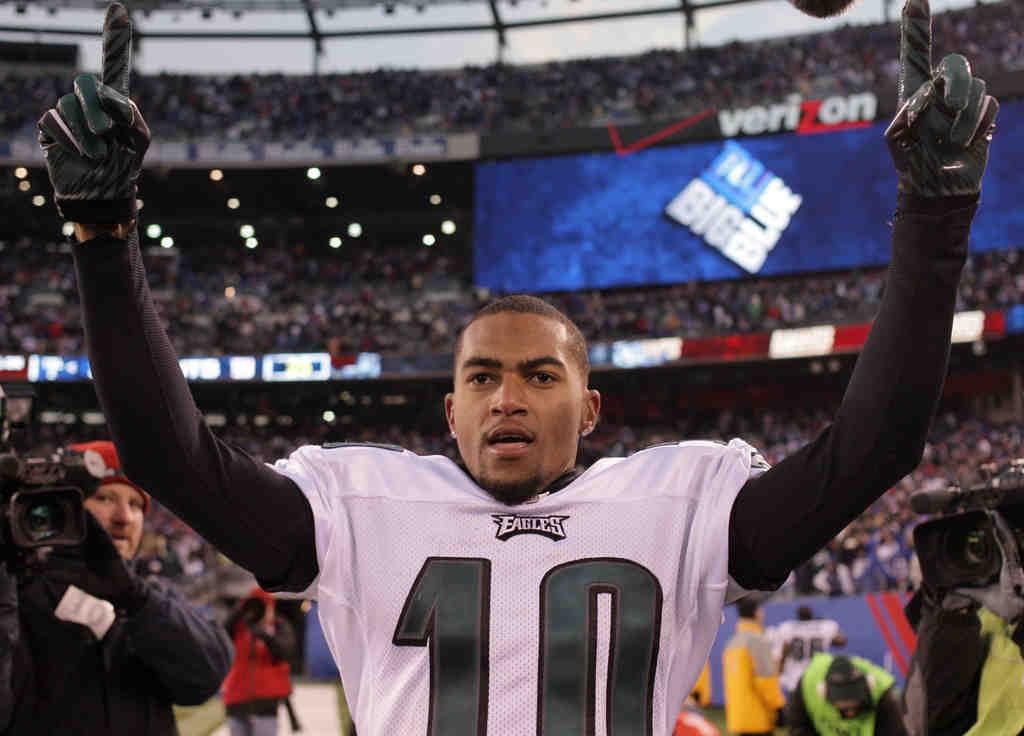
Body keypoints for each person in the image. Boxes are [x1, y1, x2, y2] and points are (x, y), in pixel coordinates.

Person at [39, 0, 998, 732]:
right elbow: (168, 457)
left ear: (591, 409)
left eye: (542, 376)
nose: (508, 397)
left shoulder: (682, 501)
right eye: (482, 378)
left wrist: (936, 219)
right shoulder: (358, 501)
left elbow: (875, 445)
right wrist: (102, 239)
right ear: (448, 416)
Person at [0, 440, 234, 735]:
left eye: (135, 504)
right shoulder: (19, 593)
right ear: (63, 508)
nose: (124, 517)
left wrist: (135, 598)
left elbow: (207, 676)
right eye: (105, 498)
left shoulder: (155, 595)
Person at [223, 586, 299, 736]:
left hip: (266, 705)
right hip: (236, 701)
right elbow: (220, 634)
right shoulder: (238, 627)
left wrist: (265, 635)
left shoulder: (278, 626)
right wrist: (241, 609)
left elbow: (285, 651)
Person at [784, 654, 907, 736]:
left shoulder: (886, 700)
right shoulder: (808, 684)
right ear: (823, 693)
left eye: (855, 706)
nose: (850, 713)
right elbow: (799, 728)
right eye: (843, 708)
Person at [723, 599, 786, 736]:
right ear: (757, 613)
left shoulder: (732, 643)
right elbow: (765, 678)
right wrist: (778, 707)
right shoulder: (757, 641)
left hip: (738, 719)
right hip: (758, 719)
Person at [771, 605, 847, 694]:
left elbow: (783, 652)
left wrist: (779, 672)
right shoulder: (825, 627)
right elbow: (841, 642)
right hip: (818, 673)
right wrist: (826, 635)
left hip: (795, 677)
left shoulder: (787, 628)